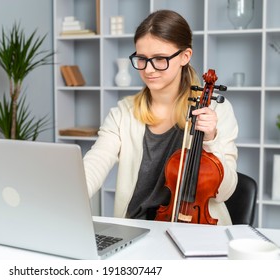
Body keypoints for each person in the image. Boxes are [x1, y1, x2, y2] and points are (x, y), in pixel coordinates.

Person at [83, 10, 238, 226]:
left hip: (200, 231)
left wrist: (211, 139)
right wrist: (66, 196)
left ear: (185, 56)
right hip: (137, 229)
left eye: (160, 59)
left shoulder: (216, 110)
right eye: (142, 59)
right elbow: (94, 165)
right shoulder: (123, 113)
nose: (148, 69)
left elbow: (225, 191)